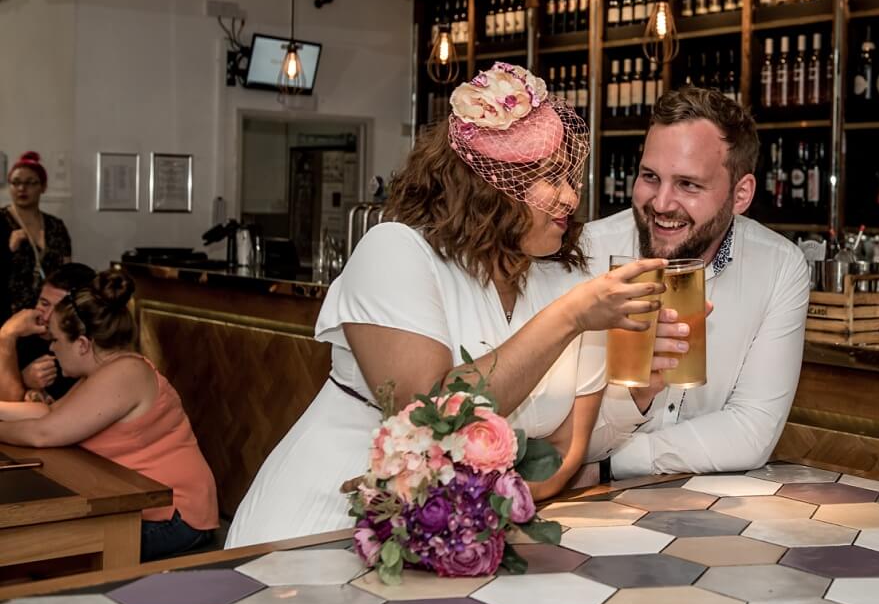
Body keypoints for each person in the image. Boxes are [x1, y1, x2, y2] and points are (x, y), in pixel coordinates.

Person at [227, 63, 668, 548]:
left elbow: (565, 448)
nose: (570, 196)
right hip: (329, 516)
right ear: (489, 185)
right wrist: (568, 318)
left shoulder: (569, 279)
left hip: (465, 535)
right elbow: (425, 413)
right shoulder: (395, 252)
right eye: (549, 179)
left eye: (570, 177)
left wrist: (486, 511)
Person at [583, 86, 811, 479]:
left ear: (741, 195)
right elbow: (557, 426)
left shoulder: (779, 266)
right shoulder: (587, 252)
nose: (661, 203)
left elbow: (751, 431)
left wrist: (606, 466)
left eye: (688, 185)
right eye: (650, 177)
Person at [0, 270, 219, 561]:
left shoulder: (125, 373)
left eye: (55, 340)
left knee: (41, 548)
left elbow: (45, 432)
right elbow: (49, 412)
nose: (51, 348)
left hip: (176, 516)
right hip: (142, 505)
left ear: (81, 344)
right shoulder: (102, 371)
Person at [0, 262, 96, 403]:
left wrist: (6, 336)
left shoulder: (83, 350)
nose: (46, 317)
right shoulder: (25, 331)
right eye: (44, 304)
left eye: (58, 309)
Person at [3, 152, 72, 317]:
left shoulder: (55, 226)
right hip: (9, 314)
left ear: (43, 186)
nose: (22, 189)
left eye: (30, 183)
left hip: (48, 315)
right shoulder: (2, 220)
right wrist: (9, 249)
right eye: (16, 183)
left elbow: (66, 271)